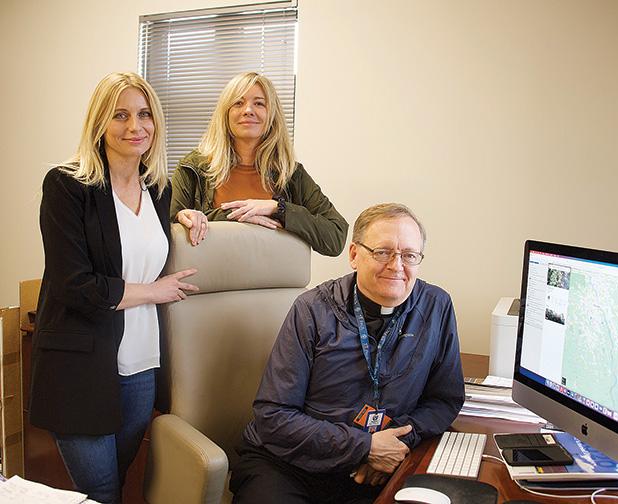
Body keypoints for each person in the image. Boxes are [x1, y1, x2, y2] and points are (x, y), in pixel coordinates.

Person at [29, 72, 199, 504]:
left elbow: (143, 242)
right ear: (100, 122)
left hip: (141, 365)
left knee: (120, 481)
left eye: (144, 115)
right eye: (120, 115)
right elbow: (73, 285)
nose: (134, 126)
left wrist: (185, 216)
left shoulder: (158, 188)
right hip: (80, 367)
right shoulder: (67, 185)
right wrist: (154, 292)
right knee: (100, 492)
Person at [231, 203, 465, 503]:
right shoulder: (312, 310)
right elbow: (274, 415)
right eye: (382, 252)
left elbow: (444, 399)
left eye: (409, 255)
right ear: (354, 255)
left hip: (379, 465)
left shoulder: (436, 306)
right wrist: (364, 447)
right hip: (290, 465)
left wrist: (395, 443)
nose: (396, 266)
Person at [170, 72, 348, 255]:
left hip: (275, 273)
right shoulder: (192, 168)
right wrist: (237, 215)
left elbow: (336, 237)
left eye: (259, 103)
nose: (248, 110)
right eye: (238, 103)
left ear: (272, 114)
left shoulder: (291, 174)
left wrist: (279, 209)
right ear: (225, 113)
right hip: (208, 272)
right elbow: (166, 231)